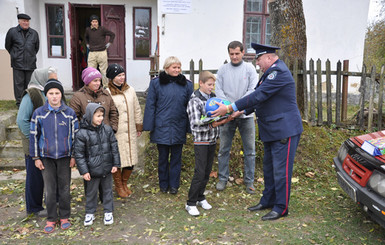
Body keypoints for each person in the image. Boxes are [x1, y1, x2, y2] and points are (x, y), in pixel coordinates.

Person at [212, 43, 303, 221]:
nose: (258, 64)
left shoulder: (279, 73)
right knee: (269, 169)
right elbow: (260, 101)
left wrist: (230, 107)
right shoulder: (269, 74)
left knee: (281, 171)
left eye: (259, 59)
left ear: (269, 57)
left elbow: (258, 95)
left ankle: (281, 207)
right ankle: (268, 200)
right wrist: (237, 112)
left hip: (284, 130)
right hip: (271, 130)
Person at [29, 79, 78, 233]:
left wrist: (74, 155)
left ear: (61, 95)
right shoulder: (39, 114)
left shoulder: (69, 113)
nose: (54, 96)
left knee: (64, 188)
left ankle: (64, 216)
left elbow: (76, 136)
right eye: (51, 93)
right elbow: (33, 136)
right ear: (46, 95)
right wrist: (36, 158)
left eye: (57, 93)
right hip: (46, 158)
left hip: (65, 157)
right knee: (50, 190)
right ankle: (51, 218)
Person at [143, 56, 193, 195]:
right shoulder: (156, 83)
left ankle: (174, 186)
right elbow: (150, 105)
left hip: (179, 125)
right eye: (174, 67)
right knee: (163, 158)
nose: (177, 70)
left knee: (177, 158)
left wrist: (189, 127)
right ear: (166, 68)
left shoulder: (187, 85)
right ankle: (163, 185)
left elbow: (190, 107)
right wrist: (149, 126)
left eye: (178, 67)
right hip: (161, 126)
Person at [185, 71, 232, 216]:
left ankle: (200, 197)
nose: (212, 87)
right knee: (199, 172)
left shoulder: (213, 98)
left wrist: (226, 116)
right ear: (201, 83)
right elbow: (195, 123)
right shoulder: (195, 100)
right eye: (209, 84)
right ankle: (190, 203)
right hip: (201, 141)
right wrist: (215, 123)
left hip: (212, 139)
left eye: (213, 84)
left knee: (207, 171)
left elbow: (217, 113)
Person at [214, 41, 258, 194]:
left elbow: (253, 90)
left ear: (243, 52)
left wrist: (239, 108)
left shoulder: (250, 69)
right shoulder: (223, 70)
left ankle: (249, 181)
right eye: (231, 54)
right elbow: (218, 90)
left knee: (250, 150)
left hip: (246, 114)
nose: (234, 56)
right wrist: (228, 109)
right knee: (224, 149)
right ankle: (222, 179)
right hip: (227, 116)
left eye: (237, 53)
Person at [69, 66, 118, 201]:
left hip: (105, 138)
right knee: (91, 169)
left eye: (99, 80)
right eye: (94, 81)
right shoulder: (78, 97)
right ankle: (91, 198)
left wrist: (112, 129)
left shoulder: (106, 95)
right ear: (87, 81)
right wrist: (82, 134)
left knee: (106, 168)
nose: (98, 83)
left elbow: (114, 112)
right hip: (88, 141)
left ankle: (105, 198)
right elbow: (73, 118)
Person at [17, 66, 57, 217]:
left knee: (51, 175)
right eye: (51, 79)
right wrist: (36, 139)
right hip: (34, 145)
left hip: (49, 144)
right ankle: (34, 207)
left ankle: (54, 202)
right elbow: (21, 121)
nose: (55, 81)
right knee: (34, 176)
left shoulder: (50, 93)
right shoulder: (31, 94)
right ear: (43, 79)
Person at [74, 103, 121, 226]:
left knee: (107, 191)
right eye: (98, 116)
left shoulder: (107, 130)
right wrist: (84, 171)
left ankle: (108, 211)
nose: (101, 118)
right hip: (92, 171)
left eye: (102, 116)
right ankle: (90, 212)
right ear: (90, 116)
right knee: (91, 192)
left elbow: (114, 148)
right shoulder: (81, 134)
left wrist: (115, 163)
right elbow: (79, 155)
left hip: (107, 168)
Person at [106, 63, 143, 198]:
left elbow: (137, 108)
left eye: (123, 75)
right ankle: (118, 185)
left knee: (131, 158)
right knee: (118, 160)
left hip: (130, 130)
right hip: (117, 132)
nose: (122, 78)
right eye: (118, 76)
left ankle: (124, 183)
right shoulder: (107, 92)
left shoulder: (130, 90)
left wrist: (139, 125)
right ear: (111, 77)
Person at [5, 13, 39, 107]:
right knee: (18, 84)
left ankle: (29, 102)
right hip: (18, 63)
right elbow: (8, 46)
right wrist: (15, 55)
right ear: (19, 21)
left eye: (27, 21)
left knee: (29, 84)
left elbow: (36, 48)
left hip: (30, 63)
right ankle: (20, 103)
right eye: (24, 21)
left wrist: (31, 56)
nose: (26, 23)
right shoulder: (12, 32)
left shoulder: (34, 33)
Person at [84, 15, 115, 87]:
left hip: (102, 52)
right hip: (92, 53)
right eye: (93, 22)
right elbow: (85, 37)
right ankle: (91, 87)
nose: (94, 23)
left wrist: (109, 43)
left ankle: (105, 87)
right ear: (91, 22)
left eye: (96, 21)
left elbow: (112, 34)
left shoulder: (102, 29)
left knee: (104, 71)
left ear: (98, 22)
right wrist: (87, 44)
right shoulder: (88, 30)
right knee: (90, 71)